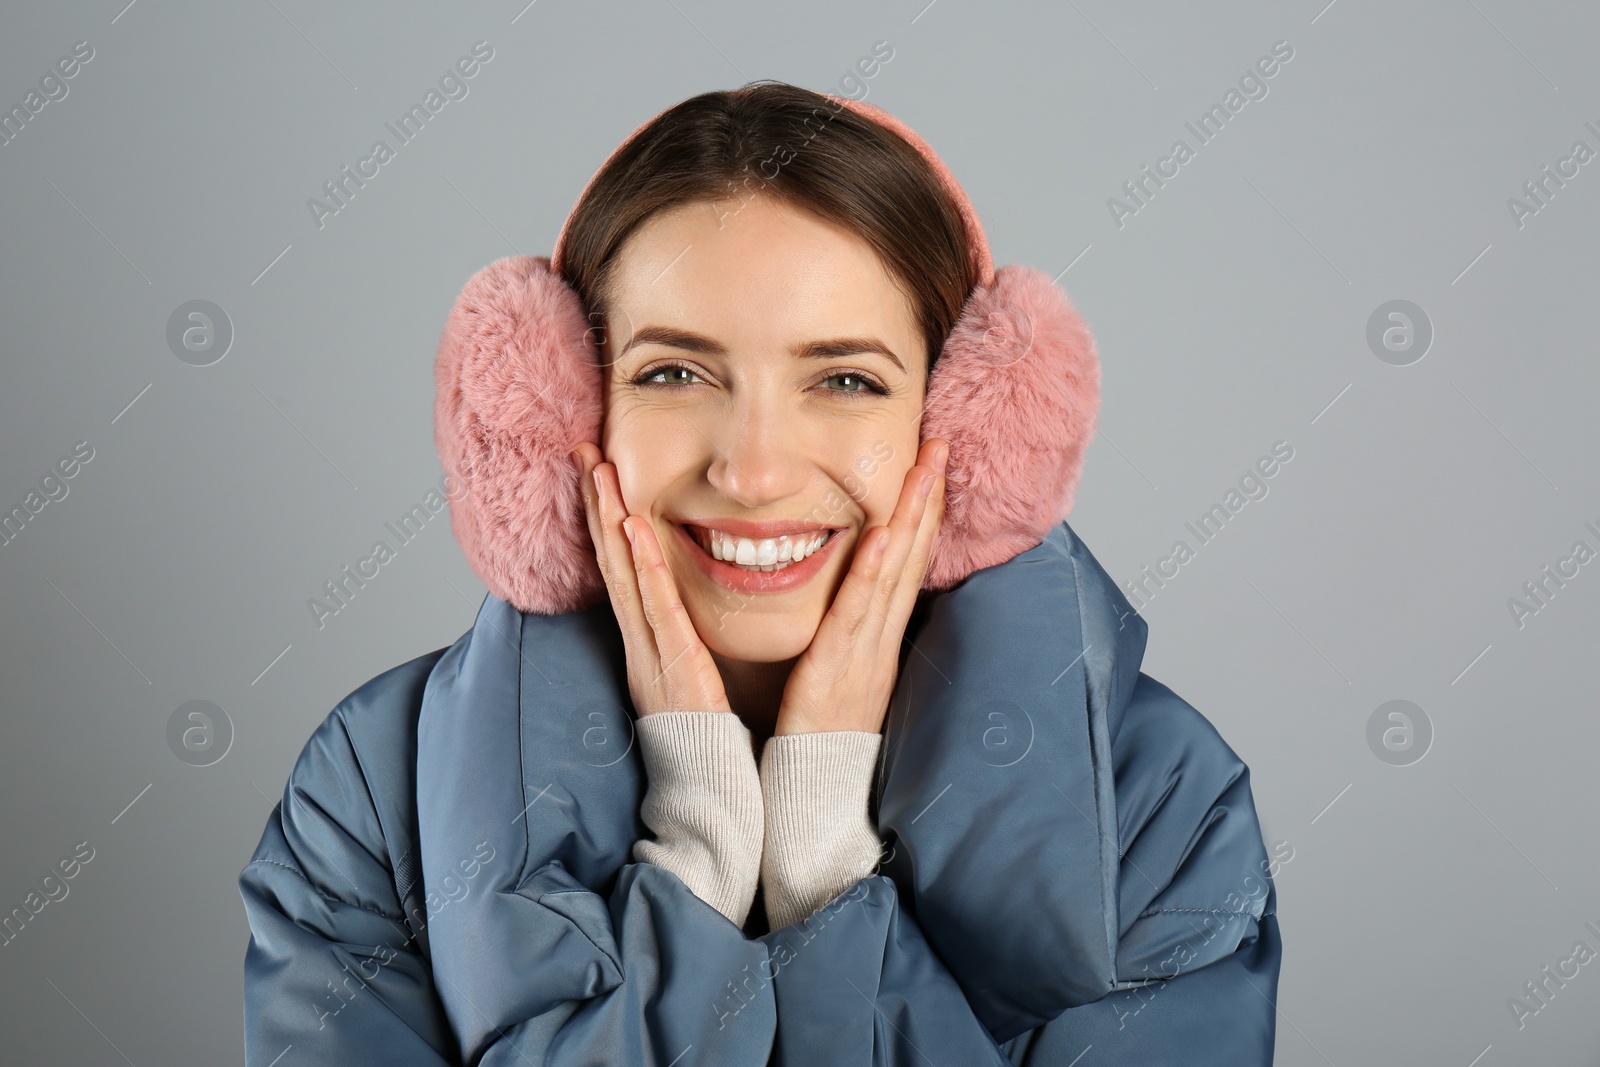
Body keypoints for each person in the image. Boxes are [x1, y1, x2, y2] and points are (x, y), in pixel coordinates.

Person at [239, 81, 1282, 1064]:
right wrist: (697, 852)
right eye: (673, 372)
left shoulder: (1161, 805)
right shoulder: (373, 791)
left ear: (972, 427)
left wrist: (826, 871)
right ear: (554, 414)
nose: (752, 469)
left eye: (843, 378)